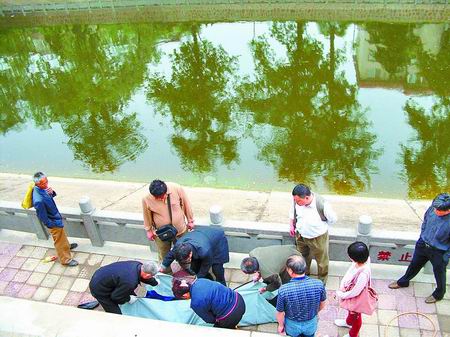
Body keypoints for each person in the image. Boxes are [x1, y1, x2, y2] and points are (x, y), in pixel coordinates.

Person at [389, 193, 450, 303]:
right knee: (414, 264)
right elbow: (425, 222)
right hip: (423, 244)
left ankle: (439, 294)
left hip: (439, 251)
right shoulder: (433, 209)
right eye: (436, 209)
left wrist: (445, 256)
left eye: (440, 211)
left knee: (439, 272)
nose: (436, 211)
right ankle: (404, 281)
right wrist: (422, 236)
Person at [289, 183, 337, 284]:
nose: (296, 202)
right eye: (295, 200)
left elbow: (333, 220)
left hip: (318, 237)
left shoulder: (322, 205)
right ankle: (303, 275)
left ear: (306, 197)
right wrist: (291, 225)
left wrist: (319, 227)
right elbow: (292, 211)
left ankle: (322, 281)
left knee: (322, 261)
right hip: (301, 235)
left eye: (298, 201)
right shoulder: (297, 201)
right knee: (302, 257)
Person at [32, 172, 78, 267]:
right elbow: (42, 215)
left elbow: (49, 198)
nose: (46, 184)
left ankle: (67, 246)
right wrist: (50, 224)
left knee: (62, 236)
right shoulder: (38, 200)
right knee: (59, 241)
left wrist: (51, 192)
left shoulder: (42, 189)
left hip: (55, 217)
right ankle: (66, 259)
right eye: (44, 183)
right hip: (53, 221)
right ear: (38, 184)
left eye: (47, 181)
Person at [142, 179, 195, 262]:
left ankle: (186, 267)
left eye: (162, 196)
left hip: (180, 229)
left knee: (185, 252)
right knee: (163, 254)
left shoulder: (176, 188)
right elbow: (146, 215)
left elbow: (186, 204)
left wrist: (190, 220)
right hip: (161, 232)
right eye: (157, 198)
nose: (160, 199)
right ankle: (166, 272)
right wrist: (149, 230)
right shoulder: (146, 199)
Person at [276, 255, 327, 337]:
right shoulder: (319, 284)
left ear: (290, 271)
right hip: (311, 323)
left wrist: (281, 325)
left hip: (292, 325)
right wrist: (314, 313)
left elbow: (280, 312)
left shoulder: (284, 290)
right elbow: (322, 304)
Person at [160, 226, 229, 285]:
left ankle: (223, 286)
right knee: (195, 267)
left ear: (190, 254)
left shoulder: (204, 251)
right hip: (201, 237)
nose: (186, 263)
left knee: (217, 269)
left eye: (187, 261)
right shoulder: (178, 246)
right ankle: (208, 280)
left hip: (217, 240)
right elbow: (170, 255)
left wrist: (196, 279)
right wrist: (162, 268)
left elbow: (205, 267)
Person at [172, 276, 245, 329]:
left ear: (185, 295)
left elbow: (210, 320)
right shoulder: (200, 280)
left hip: (231, 315)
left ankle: (232, 327)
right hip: (239, 299)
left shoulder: (195, 303)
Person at [89, 260, 159, 314]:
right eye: (151, 276)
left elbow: (143, 276)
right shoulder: (130, 282)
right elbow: (116, 297)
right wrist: (128, 299)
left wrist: (155, 282)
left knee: (125, 290)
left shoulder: (137, 265)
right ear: (147, 275)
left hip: (102, 275)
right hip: (99, 289)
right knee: (115, 313)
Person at [334, 242, 372, 337]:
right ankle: (348, 322)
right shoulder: (364, 259)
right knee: (351, 311)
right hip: (350, 291)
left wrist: (341, 294)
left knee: (357, 316)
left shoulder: (363, 274)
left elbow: (356, 292)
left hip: (356, 298)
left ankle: (353, 334)